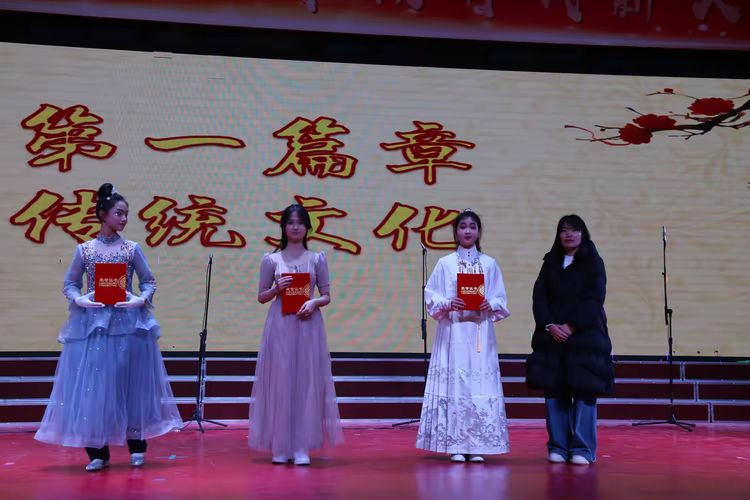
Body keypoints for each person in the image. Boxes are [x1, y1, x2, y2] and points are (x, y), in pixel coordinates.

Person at [34, 183, 182, 472]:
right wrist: (80, 299)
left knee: (132, 385)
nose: (124, 218)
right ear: (103, 214)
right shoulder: (85, 250)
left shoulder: (131, 249)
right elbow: (70, 284)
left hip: (128, 324)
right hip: (95, 326)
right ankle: (97, 451)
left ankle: (137, 446)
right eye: (119, 213)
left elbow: (149, 281)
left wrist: (141, 298)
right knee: (95, 386)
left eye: (126, 214)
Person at [249, 204, 343, 465]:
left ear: (307, 228)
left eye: (300, 222)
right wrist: (276, 289)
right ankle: (281, 445)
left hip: (308, 326)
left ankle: (301, 445)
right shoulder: (271, 260)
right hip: (280, 326)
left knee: (305, 383)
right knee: (281, 383)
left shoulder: (317, 259)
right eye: (290, 222)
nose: (295, 227)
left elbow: (326, 296)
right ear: (283, 226)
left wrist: (313, 302)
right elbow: (261, 297)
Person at [416, 209, 510, 463]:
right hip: (453, 331)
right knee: (455, 384)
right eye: (463, 226)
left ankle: (477, 444)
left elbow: (500, 298)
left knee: (479, 386)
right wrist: (448, 303)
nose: (467, 231)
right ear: (455, 232)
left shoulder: (489, 264)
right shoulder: (445, 263)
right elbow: (431, 295)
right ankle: (455, 444)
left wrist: (491, 304)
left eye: (472, 227)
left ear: (479, 232)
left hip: (479, 332)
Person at [525, 214, 614, 465]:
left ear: (583, 233)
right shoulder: (550, 262)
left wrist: (571, 326)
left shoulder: (593, 262)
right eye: (564, 230)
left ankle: (583, 449)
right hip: (552, 338)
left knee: (584, 391)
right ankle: (558, 446)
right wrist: (550, 325)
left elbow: (595, 298)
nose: (569, 234)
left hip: (585, 338)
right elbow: (539, 297)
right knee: (554, 391)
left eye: (574, 230)